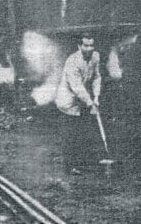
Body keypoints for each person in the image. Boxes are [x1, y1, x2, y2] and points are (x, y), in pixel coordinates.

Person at [55, 33, 102, 174]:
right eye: (86, 45)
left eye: (91, 45)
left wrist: (97, 97)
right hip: (68, 101)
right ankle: (70, 167)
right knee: (71, 134)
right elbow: (77, 87)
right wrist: (90, 103)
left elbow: (96, 77)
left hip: (82, 100)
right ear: (79, 46)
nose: (89, 48)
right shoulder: (72, 62)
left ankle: (84, 162)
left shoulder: (96, 56)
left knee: (84, 131)